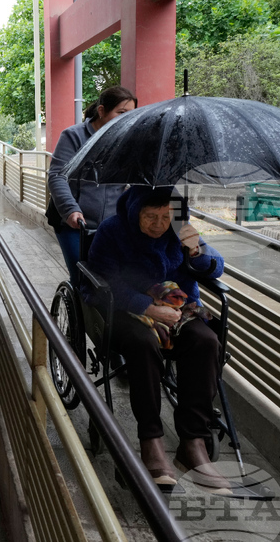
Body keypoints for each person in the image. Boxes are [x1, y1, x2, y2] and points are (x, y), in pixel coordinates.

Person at [85, 186, 230, 493]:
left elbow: (217, 265)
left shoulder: (181, 228)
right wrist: (147, 307)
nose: (158, 224)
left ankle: (192, 444)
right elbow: (102, 283)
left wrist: (197, 251)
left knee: (206, 343)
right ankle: (151, 440)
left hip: (177, 308)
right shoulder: (113, 231)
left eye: (166, 216)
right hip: (126, 310)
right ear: (135, 210)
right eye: (150, 216)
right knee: (143, 344)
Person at [47, 86, 137, 280]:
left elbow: (137, 179)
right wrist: (71, 210)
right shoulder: (73, 136)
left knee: (112, 280)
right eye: (121, 113)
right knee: (83, 278)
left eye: (130, 114)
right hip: (75, 223)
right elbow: (57, 175)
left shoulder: (127, 141)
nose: (126, 119)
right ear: (102, 111)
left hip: (111, 225)